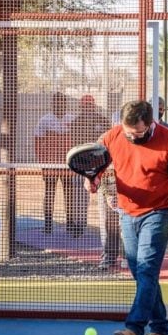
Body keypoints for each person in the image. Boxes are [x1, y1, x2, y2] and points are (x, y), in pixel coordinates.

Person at [86, 99, 168, 335]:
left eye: (137, 133)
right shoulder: (113, 135)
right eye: (127, 133)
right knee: (140, 272)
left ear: (150, 124)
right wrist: (93, 179)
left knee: (147, 268)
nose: (132, 137)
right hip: (128, 212)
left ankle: (134, 328)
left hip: (160, 212)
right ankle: (160, 330)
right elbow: (97, 162)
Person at [34, 92, 77, 236]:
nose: (59, 104)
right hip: (51, 163)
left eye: (62, 102)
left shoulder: (72, 119)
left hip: (68, 163)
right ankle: (48, 223)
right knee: (49, 191)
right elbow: (38, 141)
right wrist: (43, 161)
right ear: (53, 104)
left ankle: (70, 223)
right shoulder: (45, 120)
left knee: (69, 192)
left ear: (65, 103)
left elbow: (79, 138)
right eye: (56, 102)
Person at [70, 94, 111, 236]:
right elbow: (73, 144)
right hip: (82, 165)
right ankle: (79, 225)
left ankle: (106, 230)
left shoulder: (102, 120)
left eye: (89, 105)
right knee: (80, 195)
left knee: (105, 195)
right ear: (81, 107)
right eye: (85, 105)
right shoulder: (76, 122)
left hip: (101, 165)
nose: (87, 107)